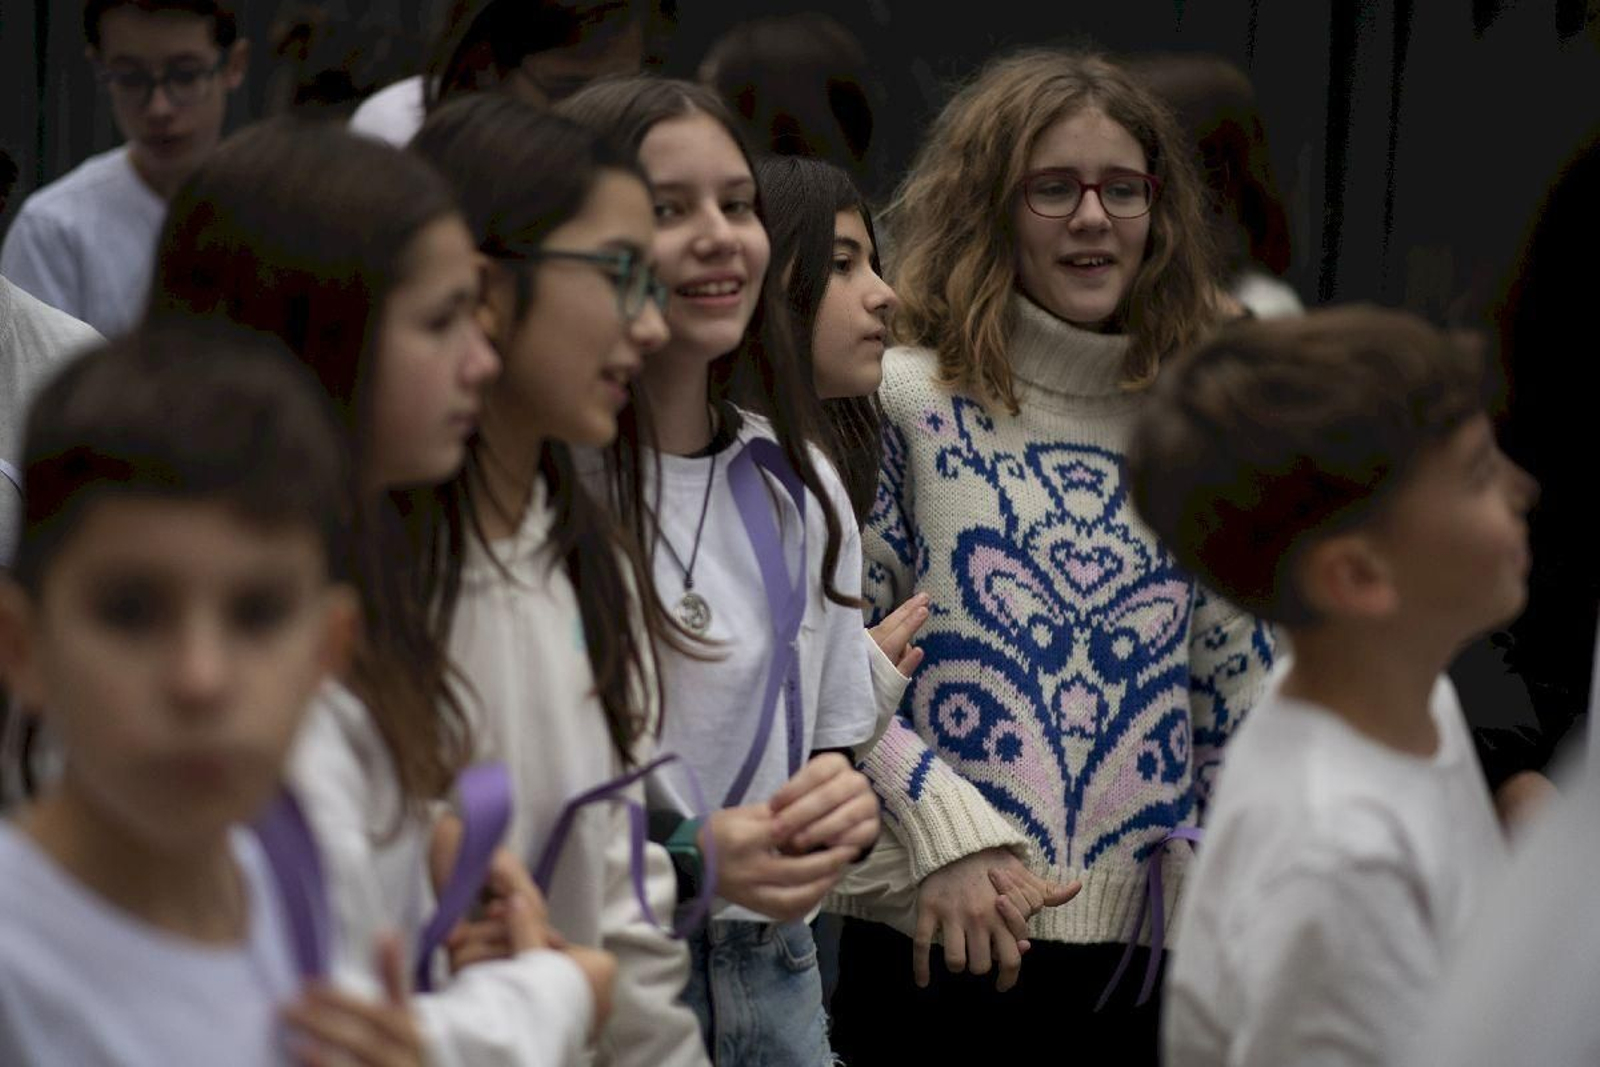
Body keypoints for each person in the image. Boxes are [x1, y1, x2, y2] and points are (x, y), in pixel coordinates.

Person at [825, 50, 1274, 1066]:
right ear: (991, 206)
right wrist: (939, 830)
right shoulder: (904, 399)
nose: (1091, 217)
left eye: (1122, 188)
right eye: (1053, 188)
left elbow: (1238, 688)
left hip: (1144, 971)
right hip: (935, 945)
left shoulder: (1196, 423)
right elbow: (825, 663)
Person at [148, 118, 613, 1064]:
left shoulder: (351, 576)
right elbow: (313, 1038)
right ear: (319, 330)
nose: (481, 361)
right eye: (443, 322)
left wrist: (439, 857)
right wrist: (559, 993)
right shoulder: (242, 669)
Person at [0, 321, 433, 1065]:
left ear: (326, 652)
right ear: (22, 647)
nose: (199, 678)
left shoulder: (293, 884)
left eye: (258, 613)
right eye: (131, 610)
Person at [559, 76, 882, 1064]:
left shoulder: (800, 481)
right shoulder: (535, 478)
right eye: (668, 208)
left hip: (772, 969)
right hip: (595, 970)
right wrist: (694, 853)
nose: (718, 235)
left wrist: (840, 802)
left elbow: (829, 745)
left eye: (736, 204)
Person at [1131, 307, 1532, 1066]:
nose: (1519, 487)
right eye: (1479, 473)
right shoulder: (1341, 863)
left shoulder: (1411, 701)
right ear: (1356, 575)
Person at [409, 94, 710, 1066]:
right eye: (621, 272)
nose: (651, 324)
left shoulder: (588, 561)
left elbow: (626, 907)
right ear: (484, 285)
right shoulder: (362, 587)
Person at [0, 0, 248, 336]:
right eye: (131, 78)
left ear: (234, 65)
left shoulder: (280, 208)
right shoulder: (53, 231)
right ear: (99, 68)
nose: (159, 108)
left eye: (185, 75)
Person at [349, 0, 656, 147]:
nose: (601, 114)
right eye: (567, 89)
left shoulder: (643, 139)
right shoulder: (399, 129)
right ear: (488, 68)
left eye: (622, 89)